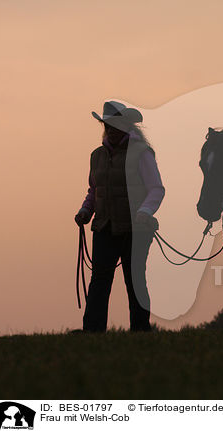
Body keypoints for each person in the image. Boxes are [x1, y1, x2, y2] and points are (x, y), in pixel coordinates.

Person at [74, 101, 165, 332]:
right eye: (108, 125)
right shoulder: (97, 156)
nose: (111, 129)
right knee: (99, 281)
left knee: (134, 282)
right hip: (104, 226)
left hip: (136, 229)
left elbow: (156, 188)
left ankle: (140, 329)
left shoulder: (142, 153)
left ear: (126, 125)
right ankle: (93, 331)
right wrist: (85, 211)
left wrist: (145, 212)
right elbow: (95, 191)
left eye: (116, 125)